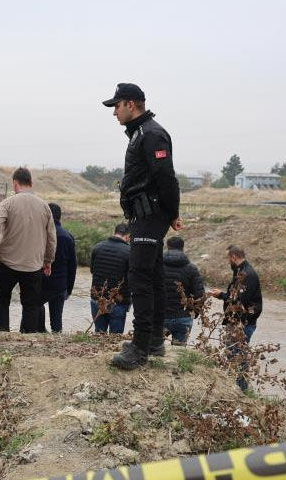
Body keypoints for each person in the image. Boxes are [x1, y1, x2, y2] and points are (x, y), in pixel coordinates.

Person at [103, 83, 182, 370]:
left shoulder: (152, 134)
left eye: (116, 106)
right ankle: (153, 341)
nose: (114, 112)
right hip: (143, 214)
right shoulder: (139, 133)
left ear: (131, 104)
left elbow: (167, 178)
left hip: (150, 215)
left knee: (139, 277)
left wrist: (172, 213)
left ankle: (140, 348)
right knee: (153, 275)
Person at [0, 167, 57, 333]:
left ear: (14, 184)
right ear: (31, 183)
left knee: (1, 299)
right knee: (31, 304)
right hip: (33, 265)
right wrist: (48, 261)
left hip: (7, 264)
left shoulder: (8, 203)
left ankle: (2, 332)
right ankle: (27, 336)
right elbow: (52, 239)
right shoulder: (44, 207)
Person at [210, 245, 263, 391]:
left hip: (242, 323)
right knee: (236, 356)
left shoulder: (246, 274)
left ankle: (239, 389)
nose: (228, 261)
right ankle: (237, 388)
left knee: (237, 357)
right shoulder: (241, 271)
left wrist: (221, 295)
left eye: (228, 258)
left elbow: (238, 301)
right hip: (238, 322)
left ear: (233, 257)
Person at [37, 203, 76, 333]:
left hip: (41, 281)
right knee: (57, 322)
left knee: (34, 308)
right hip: (60, 283)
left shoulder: (40, 235)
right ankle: (56, 338)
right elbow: (72, 266)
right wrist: (69, 289)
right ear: (60, 217)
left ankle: (37, 332)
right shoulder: (68, 236)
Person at [162, 236, 205, 345]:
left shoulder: (158, 266)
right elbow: (200, 295)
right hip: (183, 317)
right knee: (178, 354)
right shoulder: (191, 269)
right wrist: (194, 313)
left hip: (160, 316)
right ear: (183, 248)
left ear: (168, 247)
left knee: (154, 351)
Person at [90, 223, 131, 333]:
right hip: (118, 301)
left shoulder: (97, 247)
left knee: (99, 334)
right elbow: (131, 278)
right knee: (115, 337)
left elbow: (92, 271)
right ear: (127, 236)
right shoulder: (129, 252)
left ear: (114, 232)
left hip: (97, 298)